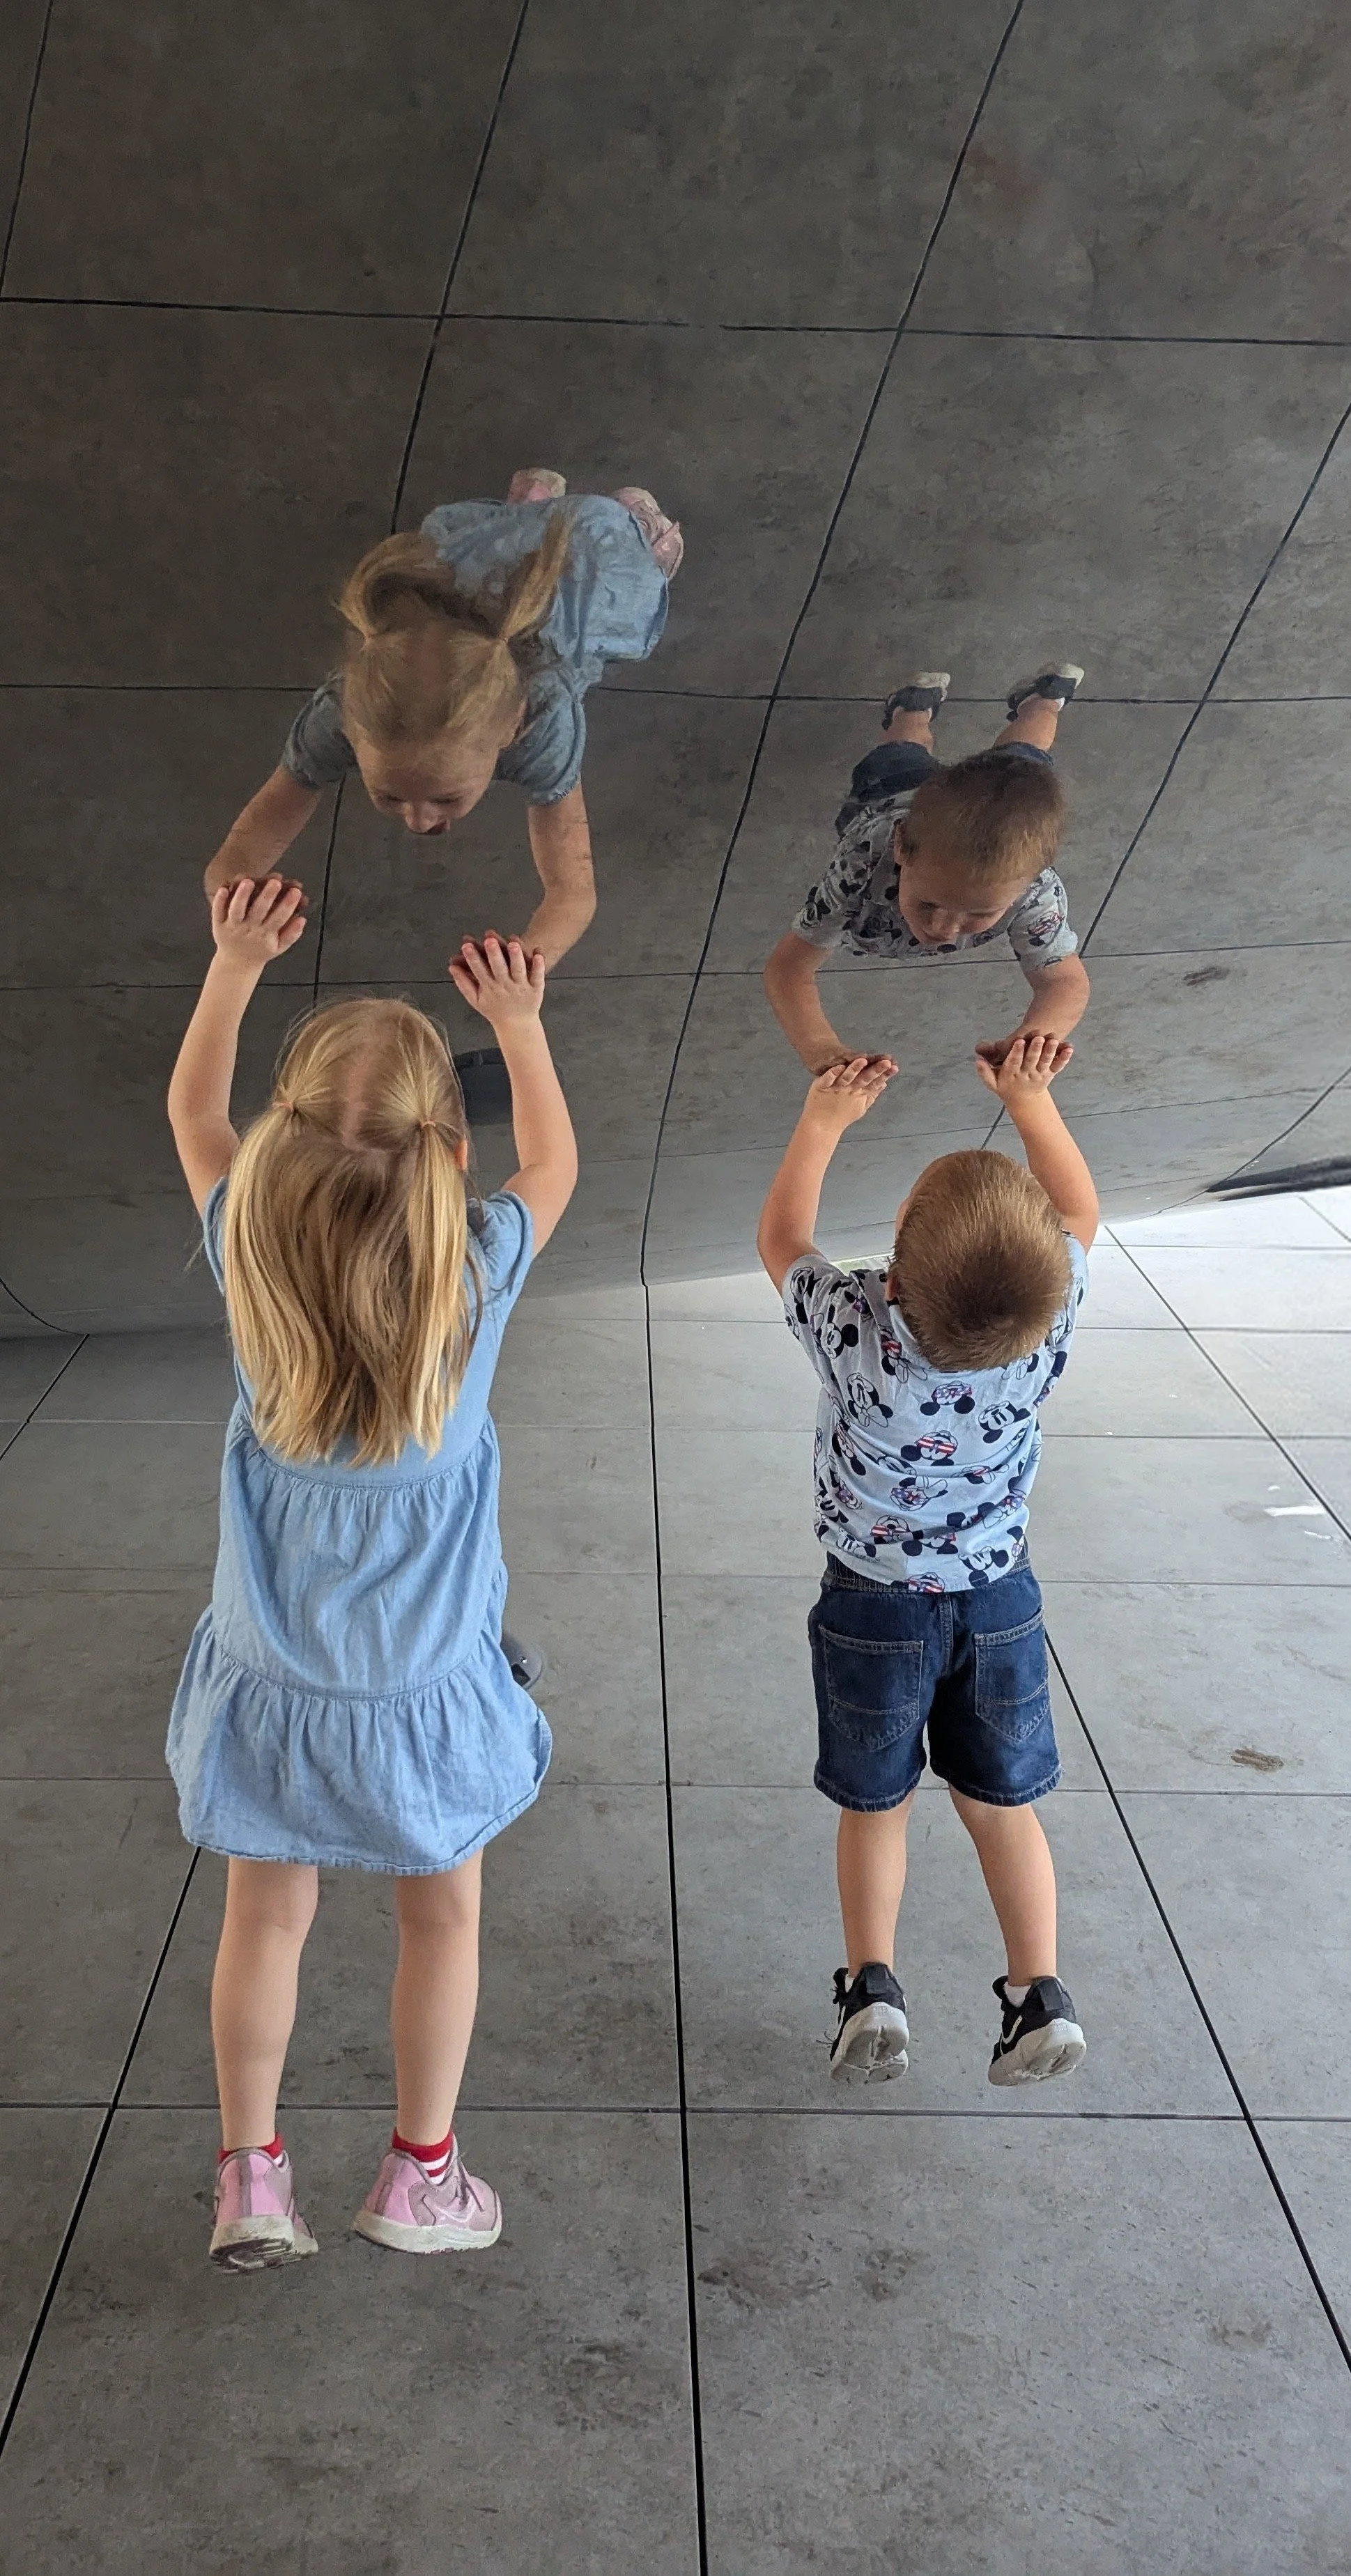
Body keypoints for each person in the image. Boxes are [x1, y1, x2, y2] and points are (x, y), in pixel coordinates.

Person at [165, 883, 577, 2268]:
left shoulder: (249, 1257)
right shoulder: (474, 1276)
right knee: (441, 1910)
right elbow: (556, 1168)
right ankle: (419, 2176)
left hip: (273, 1687)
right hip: (424, 1695)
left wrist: (231, 968)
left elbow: (196, 1122)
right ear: (447, 1158)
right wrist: (519, 1024)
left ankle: (251, 2175)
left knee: (264, 1915)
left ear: (278, 1162)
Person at [756, 1033, 1099, 2091]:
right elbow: (1078, 1216)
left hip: (872, 1605)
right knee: (1002, 1805)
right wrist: (1032, 1104)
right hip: (996, 1598)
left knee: (876, 1803)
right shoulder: (1042, 1328)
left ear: (893, 1269)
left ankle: (871, 1984)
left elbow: (781, 1237)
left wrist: (821, 1120)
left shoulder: (859, 1330)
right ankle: (1035, 1992)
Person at [201, 471, 684, 970]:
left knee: (609, 568)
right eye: (389, 796)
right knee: (493, 569)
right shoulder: (349, 710)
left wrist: (519, 969)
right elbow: (233, 858)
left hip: (587, 563)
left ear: (509, 728)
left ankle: (633, 525)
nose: (419, 821)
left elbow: (574, 893)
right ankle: (527, 516)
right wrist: (233, 899)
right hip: (470, 582)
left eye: (445, 798)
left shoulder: (544, 721)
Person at [762, 665, 1090, 1083]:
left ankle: (1043, 703)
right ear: (900, 848)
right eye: (929, 902)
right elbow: (789, 968)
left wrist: (1034, 1041)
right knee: (901, 753)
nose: (943, 927)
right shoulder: (866, 859)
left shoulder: (1037, 894)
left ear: (1028, 883)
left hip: (964, 813)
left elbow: (1064, 983)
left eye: (977, 913)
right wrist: (822, 1048)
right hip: (891, 795)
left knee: (1025, 763)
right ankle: (911, 712)